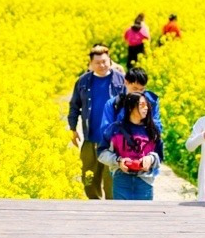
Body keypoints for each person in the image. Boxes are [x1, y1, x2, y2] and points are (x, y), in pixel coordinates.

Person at [66, 43, 127, 199]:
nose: (102, 65)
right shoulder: (83, 81)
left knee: (112, 182)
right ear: (91, 64)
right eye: (97, 62)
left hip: (114, 141)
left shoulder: (121, 80)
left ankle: (111, 214)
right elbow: (74, 106)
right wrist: (72, 128)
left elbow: (130, 107)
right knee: (89, 179)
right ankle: (94, 210)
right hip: (90, 139)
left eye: (105, 61)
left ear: (110, 61)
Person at [99, 92, 163, 200]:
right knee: (121, 214)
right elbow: (101, 152)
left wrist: (150, 159)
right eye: (141, 105)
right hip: (121, 179)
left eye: (146, 105)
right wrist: (118, 161)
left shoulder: (152, 130)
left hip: (145, 181)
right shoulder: (115, 129)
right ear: (130, 108)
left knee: (143, 215)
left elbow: (160, 155)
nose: (146, 108)